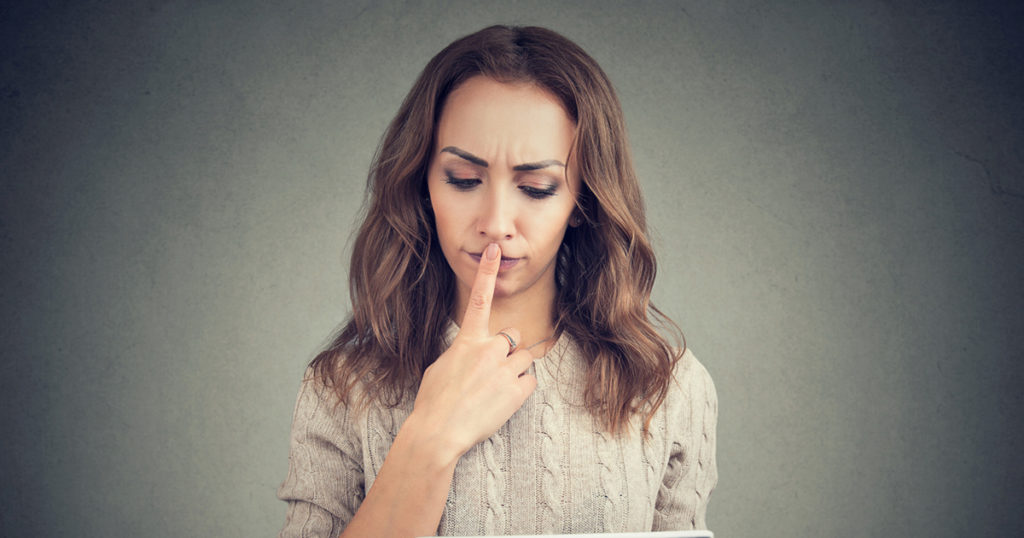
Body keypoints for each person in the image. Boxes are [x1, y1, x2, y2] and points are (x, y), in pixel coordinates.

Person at [277, 25, 717, 537]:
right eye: (464, 180)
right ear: (424, 186)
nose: (495, 221)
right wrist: (431, 437)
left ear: (582, 202)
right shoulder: (342, 388)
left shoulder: (667, 384)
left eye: (536, 188)